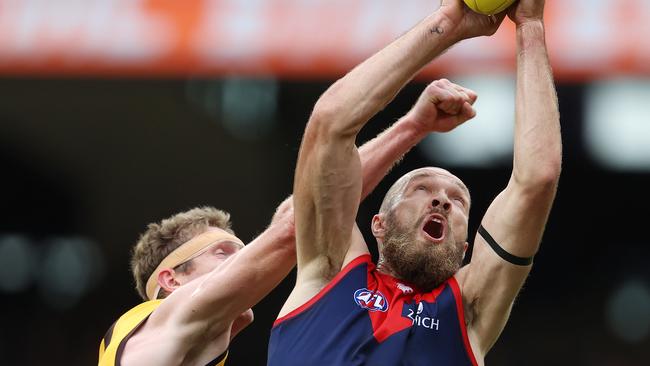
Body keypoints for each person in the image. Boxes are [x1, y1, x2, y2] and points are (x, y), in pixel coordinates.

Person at [96, 77, 477, 365]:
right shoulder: (163, 322)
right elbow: (293, 223)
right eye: (223, 252)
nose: (245, 262)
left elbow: (289, 220)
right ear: (171, 278)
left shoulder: (184, 348)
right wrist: (412, 125)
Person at [268, 0, 560, 365]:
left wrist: (530, 26)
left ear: (466, 248)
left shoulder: (468, 312)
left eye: (457, 201)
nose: (441, 201)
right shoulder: (330, 270)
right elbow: (330, 123)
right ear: (378, 224)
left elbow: (537, 179)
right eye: (421, 189)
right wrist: (446, 24)